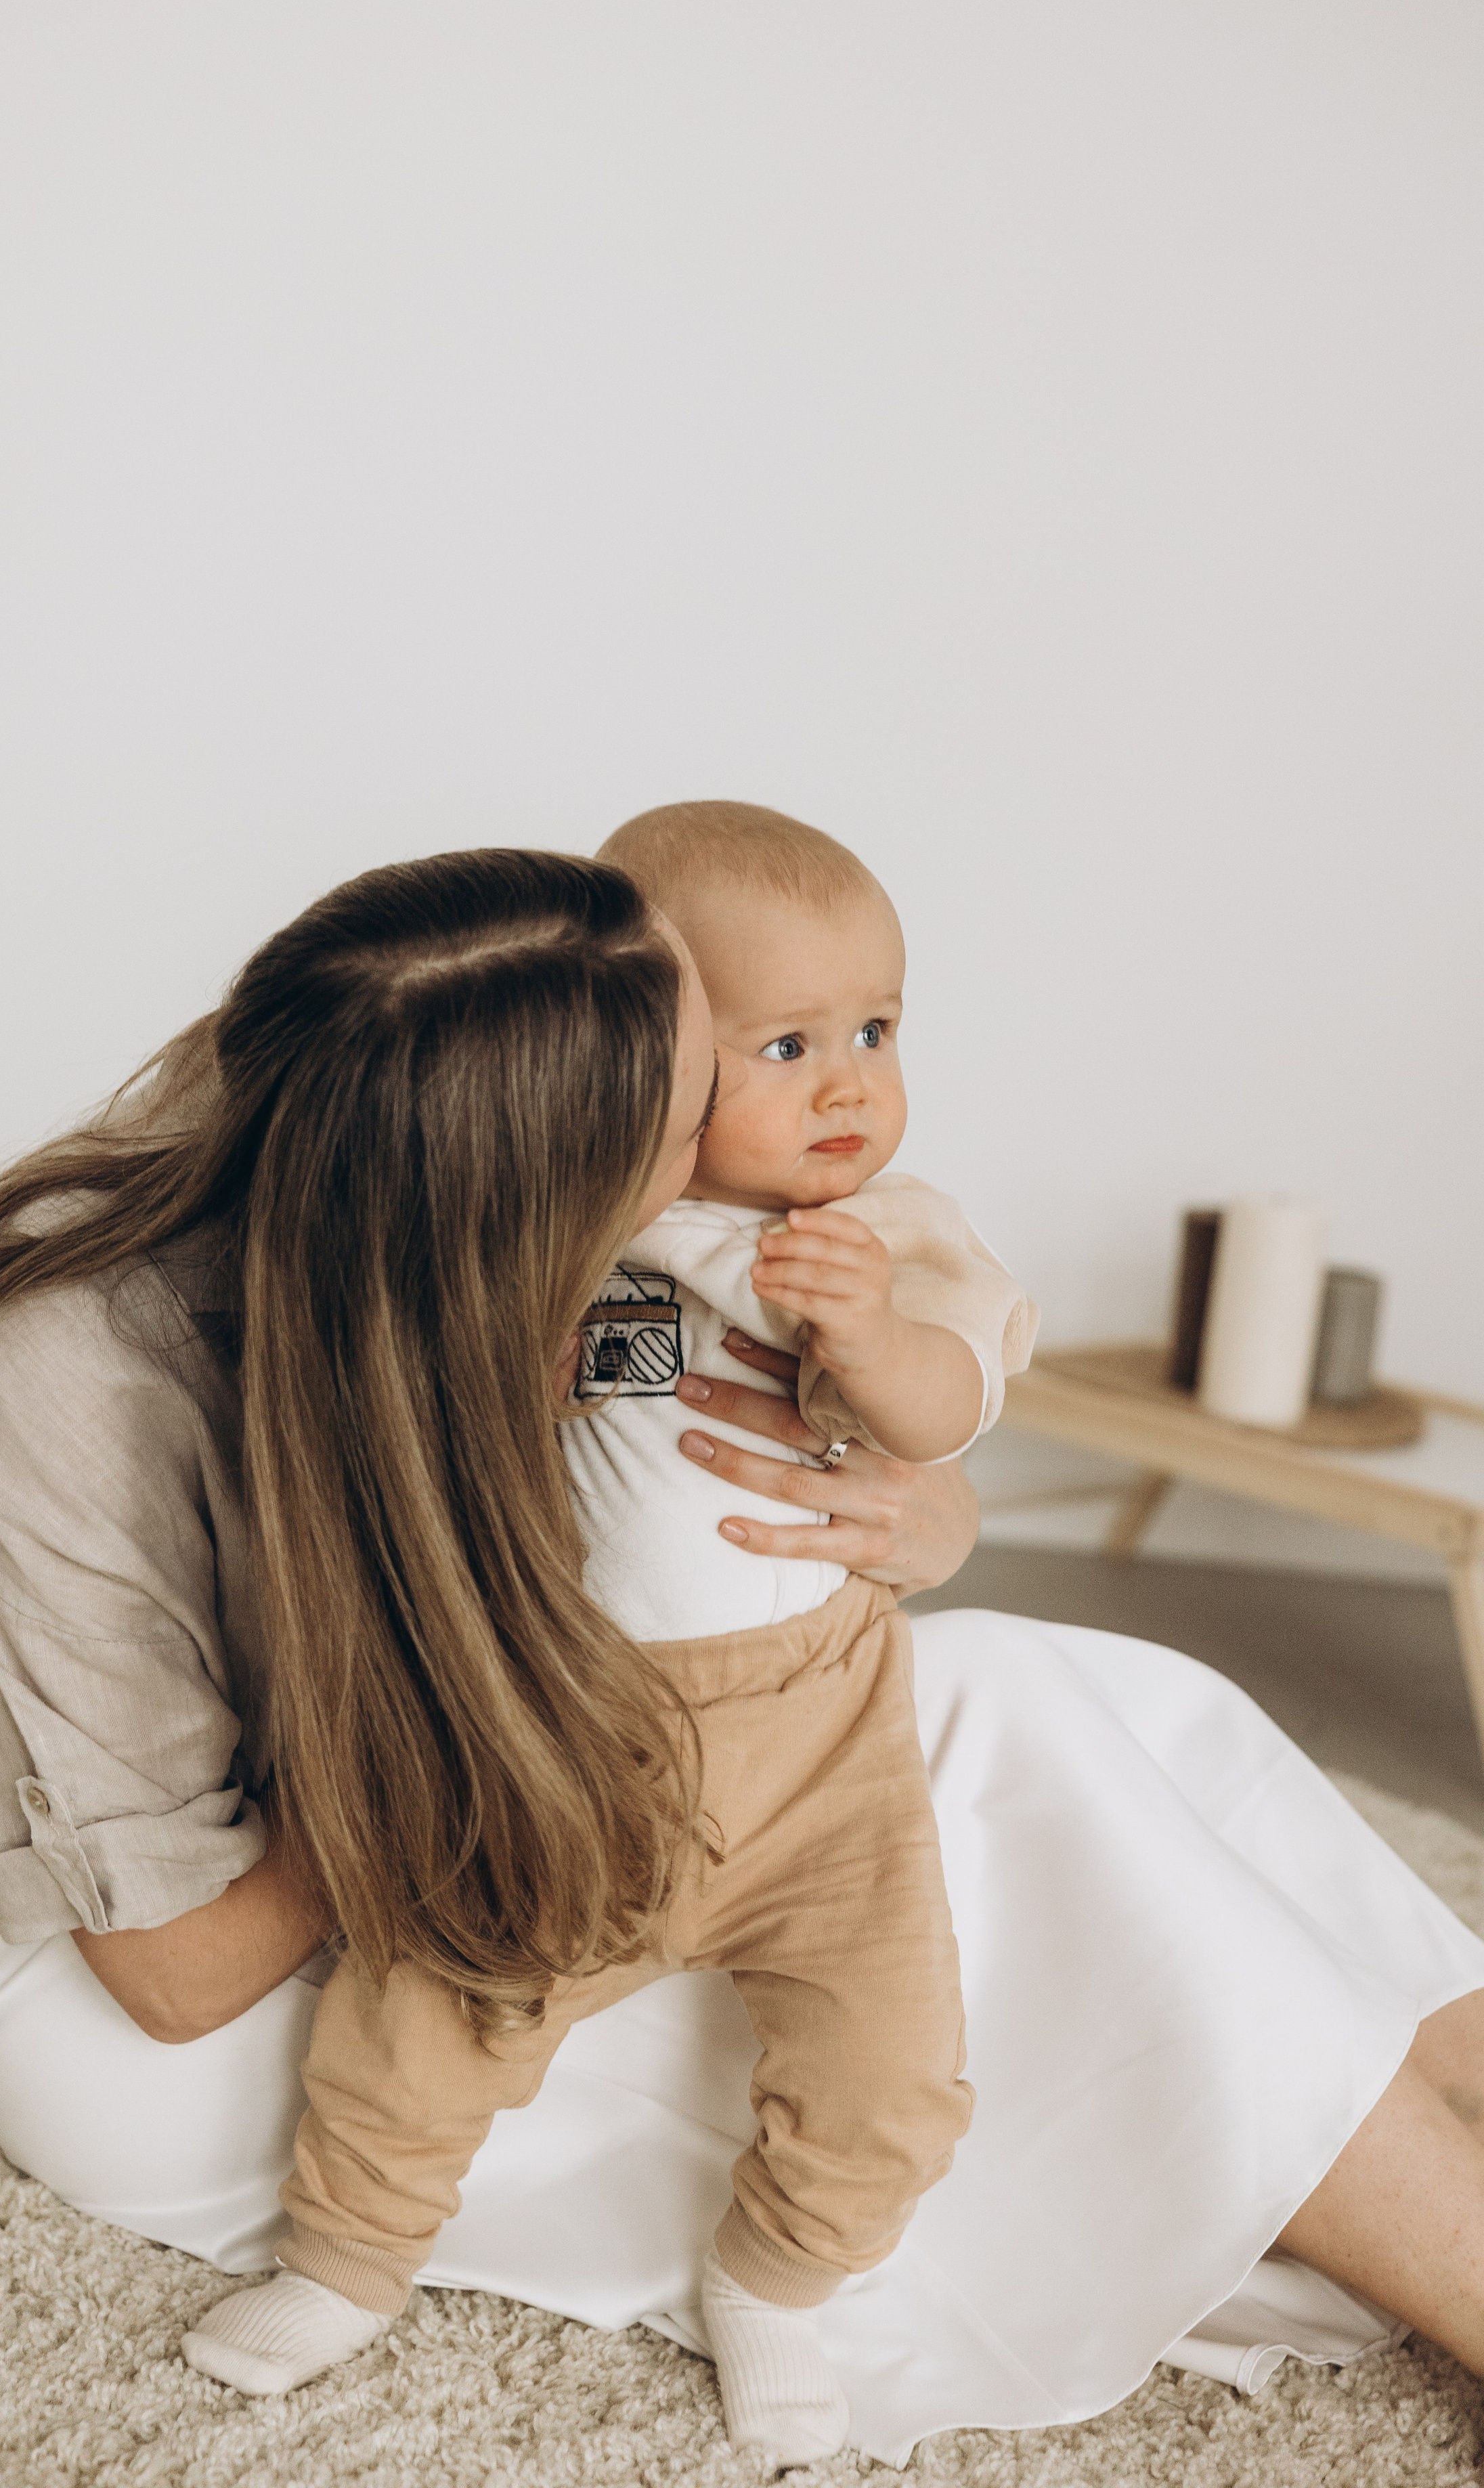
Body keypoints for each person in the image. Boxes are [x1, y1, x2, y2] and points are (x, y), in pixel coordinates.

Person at [0, 844, 1484, 2472]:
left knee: (1089, 1702)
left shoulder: (541, 1255)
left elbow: (747, 1517)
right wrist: (510, 1699)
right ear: (525, 1185)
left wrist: (913, 1512)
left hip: (497, 1804)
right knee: (1016, 1782)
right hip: (186, 2020)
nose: (746, 1171)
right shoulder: (64, 1380)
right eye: (692, 1129)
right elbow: (170, 1974)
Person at [181, 805, 1039, 2469]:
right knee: (431, 1999)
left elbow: (945, 1409)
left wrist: (868, 1348)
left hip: (820, 1751)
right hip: (585, 1722)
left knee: (895, 2060)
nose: (850, 1084)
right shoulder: (597, 1234)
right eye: (785, 1045)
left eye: (876, 1030)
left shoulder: (887, 1241)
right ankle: (350, 2259)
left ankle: (778, 2283)